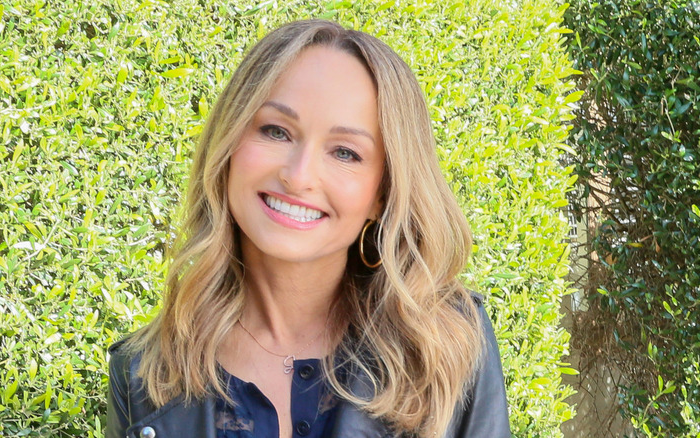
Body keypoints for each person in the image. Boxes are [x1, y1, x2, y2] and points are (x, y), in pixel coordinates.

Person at [107, 19, 510, 438]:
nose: (298, 176)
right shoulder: (143, 375)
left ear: (382, 192)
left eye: (345, 152)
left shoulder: (448, 341)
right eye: (276, 131)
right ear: (227, 147)